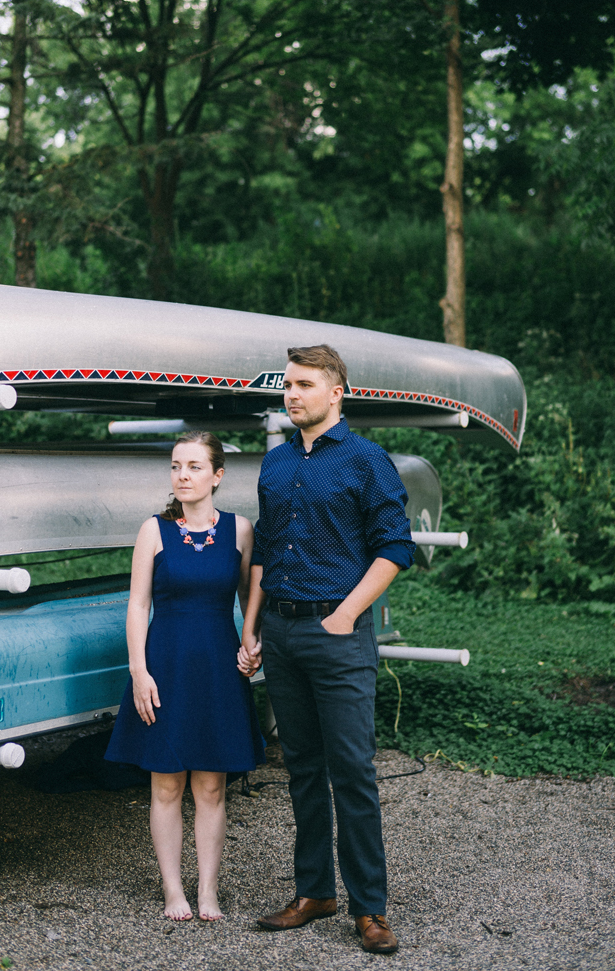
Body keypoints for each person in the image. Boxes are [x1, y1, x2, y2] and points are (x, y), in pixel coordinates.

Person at [238, 345, 415, 955]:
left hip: (338, 633)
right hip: (281, 634)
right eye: (287, 385)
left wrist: (345, 615)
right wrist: (252, 628)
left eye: (304, 385)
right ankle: (315, 891)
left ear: (336, 392)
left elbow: (395, 548)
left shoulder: (367, 461)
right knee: (303, 770)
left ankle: (370, 907)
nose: (291, 395)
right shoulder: (276, 464)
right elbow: (262, 550)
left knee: (352, 773)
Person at [106, 431, 265, 922]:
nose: (182, 475)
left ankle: (208, 891)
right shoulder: (153, 530)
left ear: (217, 475)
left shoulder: (240, 530)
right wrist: (139, 671)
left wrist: (252, 643)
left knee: (212, 786)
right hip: (165, 666)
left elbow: (248, 600)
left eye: (195, 467)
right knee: (166, 785)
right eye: (176, 466)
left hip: (217, 668)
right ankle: (174, 889)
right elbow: (137, 604)